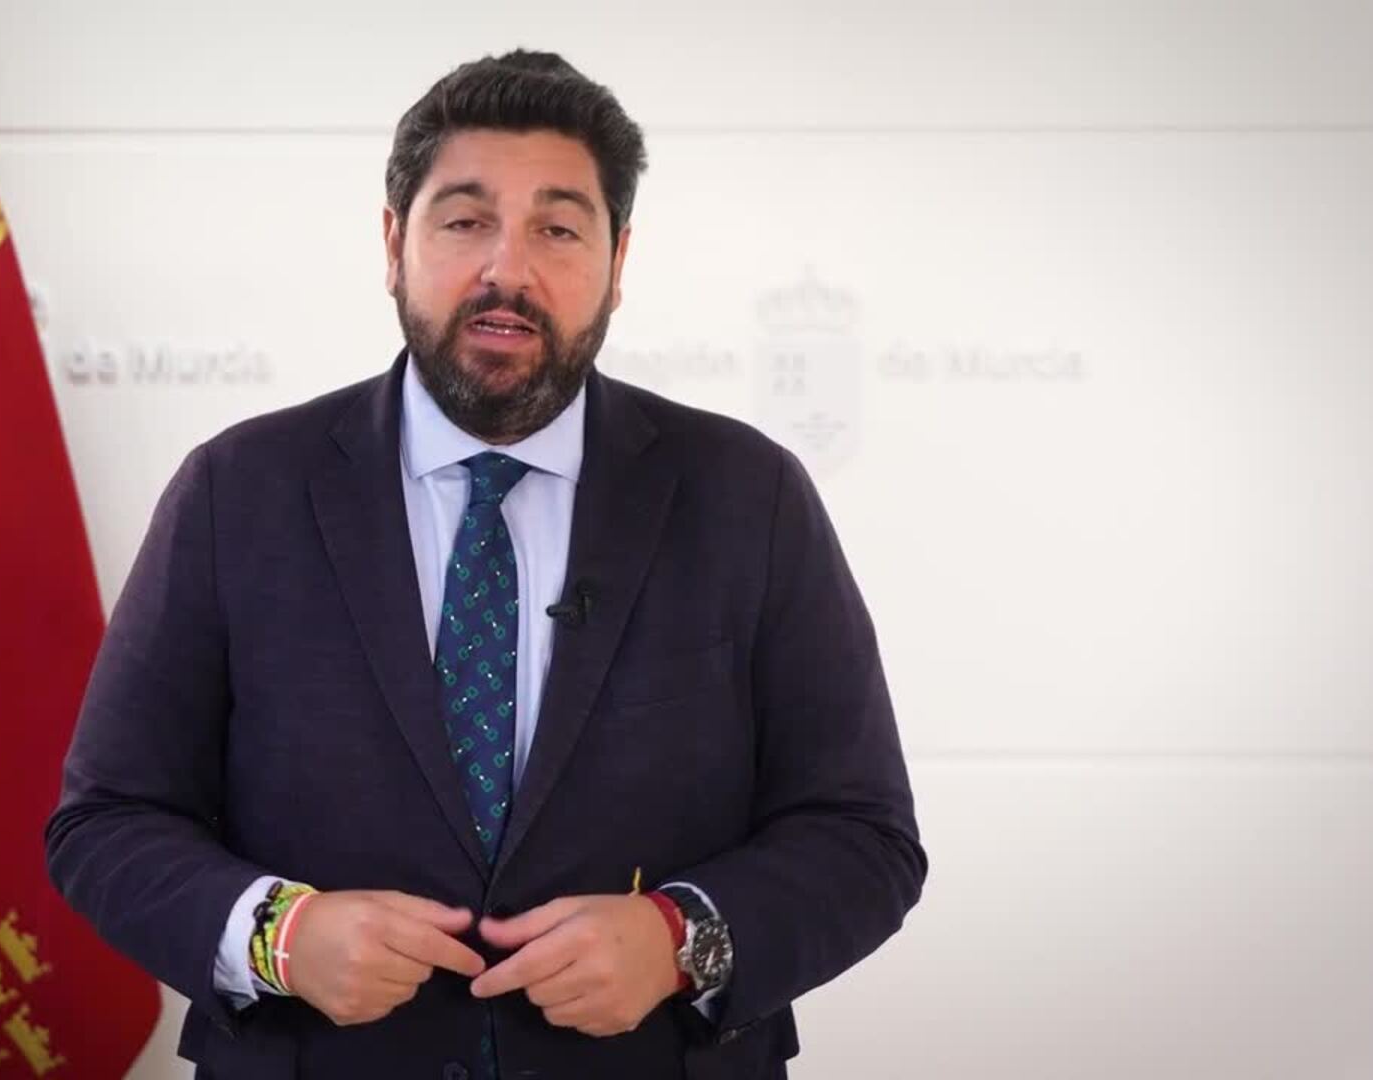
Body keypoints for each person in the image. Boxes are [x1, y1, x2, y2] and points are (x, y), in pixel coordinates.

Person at [46, 49, 927, 1080]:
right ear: (394, 243)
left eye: (558, 229)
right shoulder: (237, 491)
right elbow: (106, 822)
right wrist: (276, 934)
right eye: (465, 221)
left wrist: (682, 942)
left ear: (618, 261)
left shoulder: (749, 495)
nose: (508, 270)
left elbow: (862, 834)